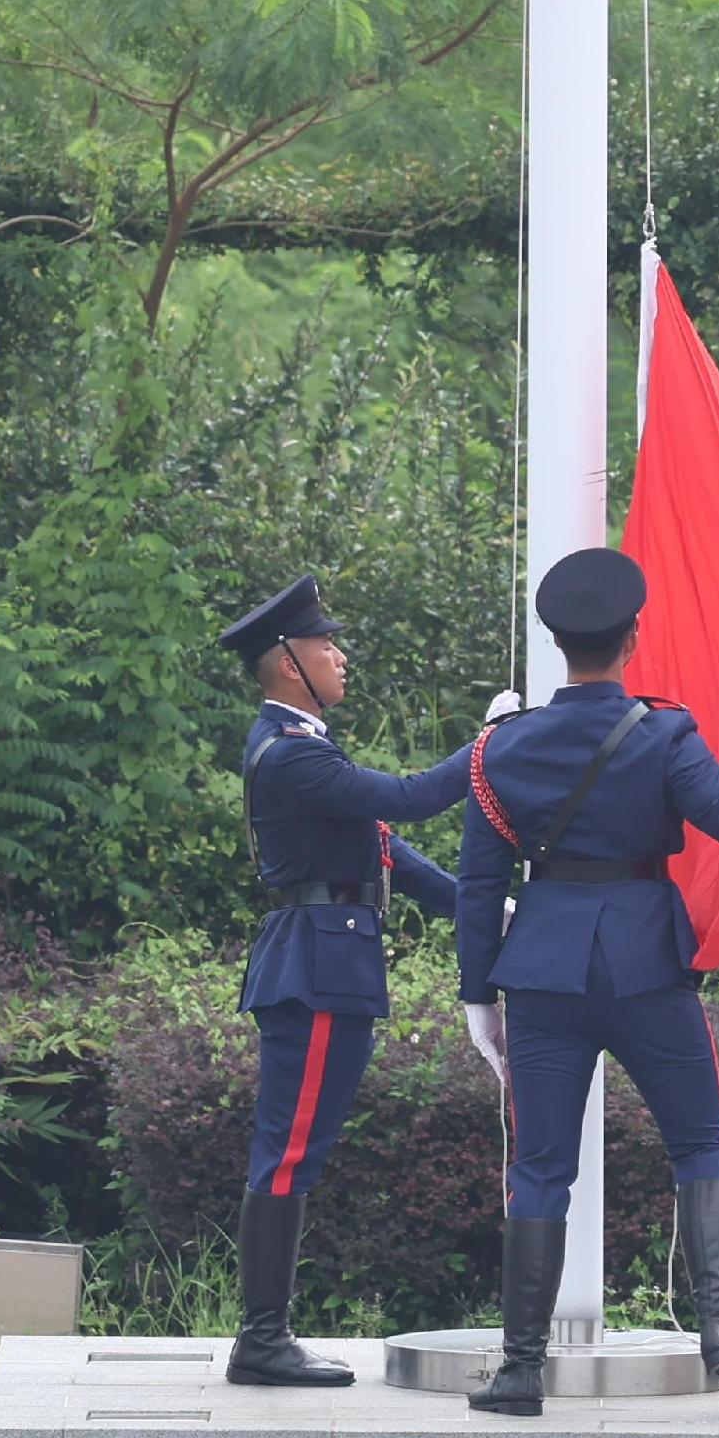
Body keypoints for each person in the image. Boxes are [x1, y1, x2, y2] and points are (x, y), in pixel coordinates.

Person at [454, 547, 719, 1416]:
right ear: (633, 636)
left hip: (542, 970)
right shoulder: (661, 732)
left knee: (538, 1166)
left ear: (556, 641)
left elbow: (478, 883)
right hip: (646, 960)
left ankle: (521, 1368)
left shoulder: (504, 747)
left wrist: (476, 993)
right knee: (700, 1140)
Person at [216, 576, 471, 1387]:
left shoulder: (306, 748)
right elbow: (411, 798)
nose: (341, 656)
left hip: (327, 959)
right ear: (288, 663)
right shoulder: (292, 754)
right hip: (319, 966)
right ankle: (262, 1339)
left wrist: (486, 908)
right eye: (327, 644)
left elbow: (389, 846)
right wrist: (494, 744)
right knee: (289, 1151)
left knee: (295, 1149)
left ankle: (266, 1333)